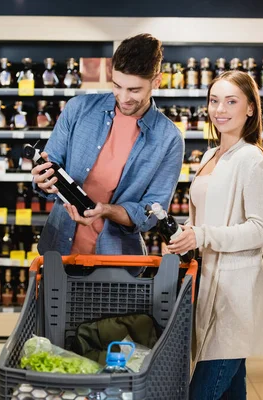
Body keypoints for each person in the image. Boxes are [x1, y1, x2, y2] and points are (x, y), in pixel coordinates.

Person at [166, 70, 263, 399]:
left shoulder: (252, 161)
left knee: (202, 390)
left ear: (250, 109)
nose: (220, 109)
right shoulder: (209, 156)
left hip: (235, 292)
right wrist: (184, 234)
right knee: (231, 390)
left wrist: (202, 235)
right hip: (207, 283)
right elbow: (205, 216)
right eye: (214, 101)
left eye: (231, 101)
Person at [31, 33, 184, 256]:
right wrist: (43, 180)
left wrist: (107, 210)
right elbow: (51, 164)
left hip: (118, 261)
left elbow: (151, 212)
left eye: (134, 90)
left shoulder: (169, 139)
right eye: (117, 85)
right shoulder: (78, 109)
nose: (123, 97)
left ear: (156, 82)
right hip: (57, 250)